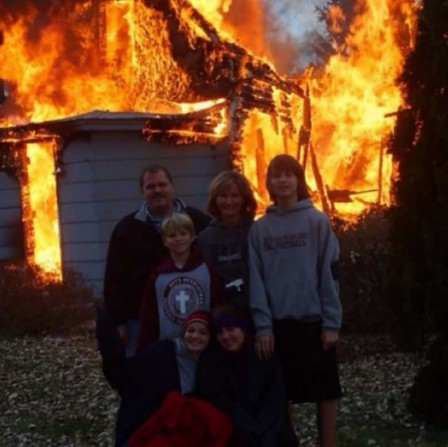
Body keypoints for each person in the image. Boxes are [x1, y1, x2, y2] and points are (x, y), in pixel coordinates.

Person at [248, 154, 342, 447]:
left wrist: (331, 322)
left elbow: (329, 273)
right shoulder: (260, 229)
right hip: (278, 326)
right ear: (269, 184)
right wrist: (263, 327)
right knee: (281, 394)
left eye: (289, 174)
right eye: (277, 176)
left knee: (325, 392)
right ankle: (290, 442)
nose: (283, 180)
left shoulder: (316, 221)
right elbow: (257, 281)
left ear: (299, 180)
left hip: (314, 322)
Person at [103, 163, 210, 356]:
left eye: (162, 184)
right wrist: (118, 321)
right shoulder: (127, 229)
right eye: (150, 187)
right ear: (142, 191)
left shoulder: (199, 221)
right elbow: (114, 277)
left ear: (172, 186)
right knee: (146, 370)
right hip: (140, 318)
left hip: (191, 316)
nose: (157, 190)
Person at [96, 308, 232, 447]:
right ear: (184, 332)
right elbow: (127, 376)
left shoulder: (210, 364)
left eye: (203, 333)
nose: (195, 336)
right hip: (154, 424)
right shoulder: (162, 352)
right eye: (191, 331)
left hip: (186, 429)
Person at [196, 304, 298, 447]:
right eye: (220, 332)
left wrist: (262, 429)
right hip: (236, 428)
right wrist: (249, 428)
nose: (226, 336)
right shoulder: (211, 362)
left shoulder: (264, 354)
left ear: (242, 328)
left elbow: (276, 395)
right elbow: (220, 401)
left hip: (271, 425)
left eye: (231, 329)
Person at [137, 213, 224, 349]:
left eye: (183, 234)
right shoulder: (158, 276)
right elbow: (149, 315)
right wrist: (143, 348)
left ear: (192, 236)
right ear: (165, 241)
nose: (178, 239)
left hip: (204, 345)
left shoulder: (206, 269)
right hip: (169, 346)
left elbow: (218, 304)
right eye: (172, 236)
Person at [198, 170, 257, 309]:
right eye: (223, 196)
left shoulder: (256, 232)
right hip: (220, 311)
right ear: (215, 199)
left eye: (235, 196)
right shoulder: (205, 238)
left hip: (253, 309)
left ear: (244, 199)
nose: (229, 202)